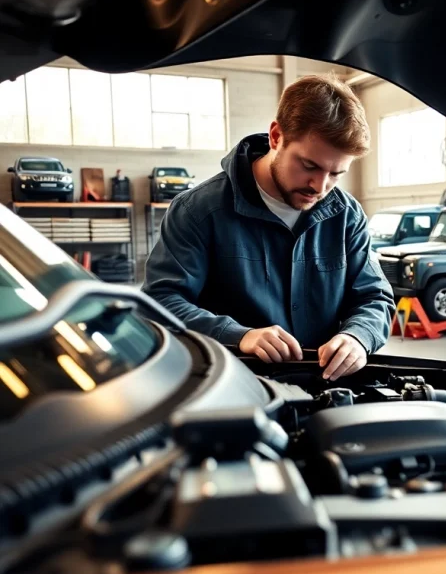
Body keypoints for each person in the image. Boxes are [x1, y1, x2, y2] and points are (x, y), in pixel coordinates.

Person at [143, 73, 395, 381]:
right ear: (276, 136)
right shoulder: (197, 211)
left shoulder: (346, 215)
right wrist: (238, 335)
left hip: (325, 390)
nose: (320, 186)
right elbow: (160, 303)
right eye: (309, 166)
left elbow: (374, 297)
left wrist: (359, 337)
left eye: (336, 174)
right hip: (234, 388)